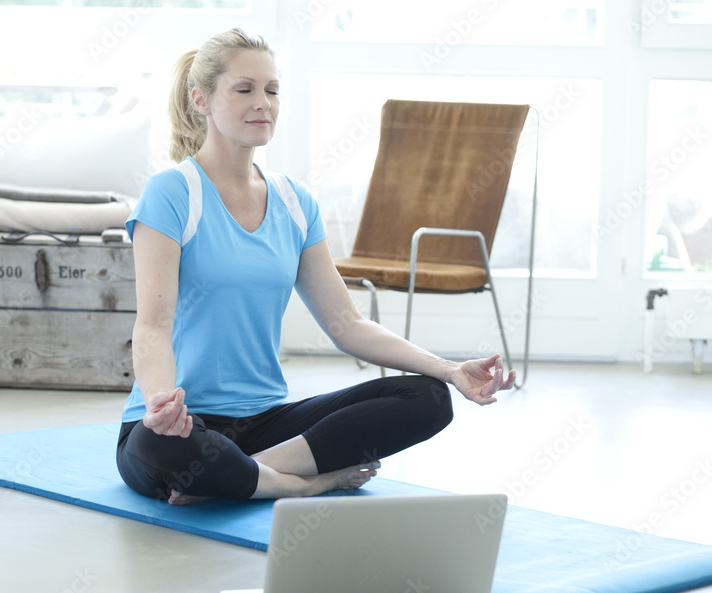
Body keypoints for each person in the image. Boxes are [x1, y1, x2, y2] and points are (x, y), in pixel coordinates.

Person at [116, 27, 514, 506]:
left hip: (264, 424)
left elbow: (346, 323)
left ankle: (240, 476)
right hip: (182, 427)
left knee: (428, 399)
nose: (263, 102)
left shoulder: (294, 201)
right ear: (202, 100)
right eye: (244, 89)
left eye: (272, 90)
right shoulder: (172, 193)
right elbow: (153, 326)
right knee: (162, 447)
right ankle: (306, 482)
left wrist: (450, 370)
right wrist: (162, 404)